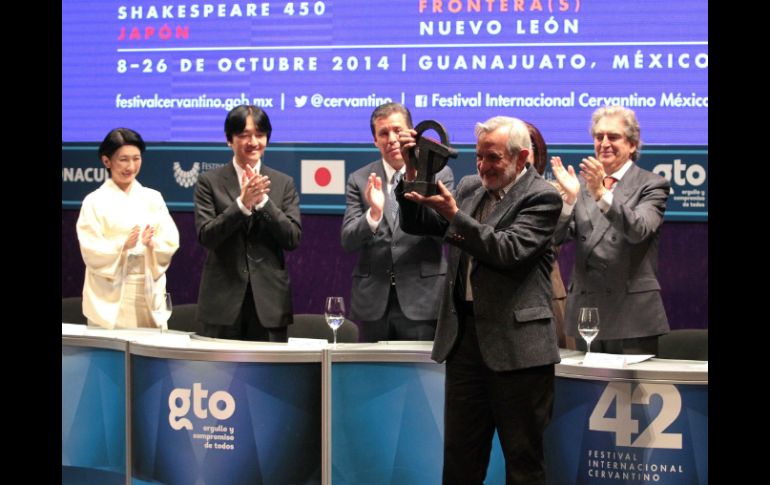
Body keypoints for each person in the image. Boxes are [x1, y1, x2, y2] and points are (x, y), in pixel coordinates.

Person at [397, 116, 563, 484]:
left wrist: (455, 216)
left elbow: (507, 250)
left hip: (519, 350)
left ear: (521, 159)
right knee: (460, 460)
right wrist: (412, 170)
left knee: (523, 463)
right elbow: (418, 223)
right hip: (465, 343)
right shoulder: (471, 188)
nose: (483, 167)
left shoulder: (543, 196)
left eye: (493, 158)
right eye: (478, 157)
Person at [550, 105, 670, 354]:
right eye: (599, 136)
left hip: (632, 317)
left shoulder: (652, 184)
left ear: (633, 144)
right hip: (586, 314)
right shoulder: (580, 186)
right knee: (586, 393)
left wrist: (602, 194)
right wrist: (569, 201)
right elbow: (554, 240)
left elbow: (639, 229)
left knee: (632, 395)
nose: (604, 143)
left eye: (613, 136)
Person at [341, 102, 454, 341]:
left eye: (397, 131)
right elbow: (348, 240)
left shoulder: (438, 173)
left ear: (411, 134)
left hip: (423, 300)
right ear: (375, 141)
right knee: (373, 377)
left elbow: (444, 231)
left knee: (421, 377)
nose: (391, 139)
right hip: (373, 304)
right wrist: (373, 214)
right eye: (383, 133)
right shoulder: (360, 179)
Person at [194, 105, 301, 342]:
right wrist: (242, 205)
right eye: (243, 135)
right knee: (217, 379)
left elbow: (292, 238)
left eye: (260, 135)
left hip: (270, 305)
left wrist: (263, 201)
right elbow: (206, 236)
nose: (253, 142)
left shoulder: (284, 183)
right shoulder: (208, 182)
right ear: (229, 140)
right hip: (222, 304)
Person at [76, 128, 179, 329]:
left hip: (147, 288)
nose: (130, 166)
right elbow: (90, 249)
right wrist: (122, 245)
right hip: (111, 293)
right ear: (107, 161)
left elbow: (169, 240)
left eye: (136, 158)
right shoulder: (94, 202)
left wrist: (152, 244)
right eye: (123, 159)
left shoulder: (153, 198)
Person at [524, 121, 574, 350]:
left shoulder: (555, 192)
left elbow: (550, 244)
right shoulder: (483, 192)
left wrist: (571, 200)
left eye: (526, 146)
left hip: (547, 296)